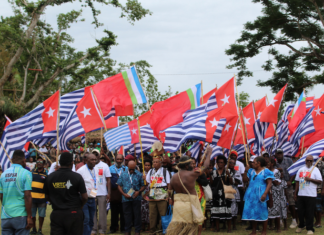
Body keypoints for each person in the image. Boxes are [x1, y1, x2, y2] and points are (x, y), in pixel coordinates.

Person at [166, 146, 212, 235]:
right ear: (186, 165)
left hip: (178, 206)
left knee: (180, 230)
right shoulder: (192, 174)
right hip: (190, 205)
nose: (192, 165)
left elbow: (169, 192)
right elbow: (205, 166)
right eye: (190, 164)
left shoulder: (174, 177)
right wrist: (209, 154)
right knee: (190, 229)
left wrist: (171, 199)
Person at [44, 151, 87, 235]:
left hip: (57, 213)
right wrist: (80, 206)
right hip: (74, 212)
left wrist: (55, 202)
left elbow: (47, 196)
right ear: (72, 162)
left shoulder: (50, 177)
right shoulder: (77, 177)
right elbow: (85, 197)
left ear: (59, 162)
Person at [0, 150, 33, 235]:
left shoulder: (3, 174)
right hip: (20, 215)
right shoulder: (26, 173)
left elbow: (1, 195)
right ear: (24, 160)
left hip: (5, 215)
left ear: (12, 160)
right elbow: (27, 196)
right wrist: (29, 217)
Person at [242, 156, 274, 235]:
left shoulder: (266, 171)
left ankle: (264, 231)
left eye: (254, 162)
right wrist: (245, 172)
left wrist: (265, 194)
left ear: (259, 163)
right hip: (251, 194)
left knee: (263, 212)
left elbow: (269, 183)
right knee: (252, 211)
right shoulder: (251, 171)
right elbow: (245, 180)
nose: (252, 164)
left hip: (261, 194)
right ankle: (254, 231)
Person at [146, 141, 171, 234]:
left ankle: (162, 230)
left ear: (160, 163)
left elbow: (168, 185)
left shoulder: (165, 171)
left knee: (162, 215)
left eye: (157, 162)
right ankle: (152, 230)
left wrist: (169, 196)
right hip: (152, 197)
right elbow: (148, 183)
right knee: (152, 215)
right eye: (154, 162)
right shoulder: (150, 171)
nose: (155, 163)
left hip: (162, 196)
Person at [294, 155, 323, 234]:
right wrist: (295, 193)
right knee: (300, 211)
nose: (309, 162)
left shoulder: (315, 170)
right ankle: (301, 225)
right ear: (305, 161)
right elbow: (297, 181)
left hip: (311, 195)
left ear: (313, 161)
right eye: (308, 160)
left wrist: (310, 179)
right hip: (301, 194)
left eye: (311, 160)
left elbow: (320, 181)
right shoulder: (301, 169)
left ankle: (310, 228)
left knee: (309, 212)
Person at [117, 160, 145, 235]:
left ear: (135, 167)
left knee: (137, 214)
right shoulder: (123, 174)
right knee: (127, 215)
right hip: (126, 198)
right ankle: (127, 230)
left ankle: (137, 230)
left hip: (136, 198)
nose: (132, 170)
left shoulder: (139, 174)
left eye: (133, 169)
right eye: (130, 169)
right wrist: (123, 194)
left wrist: (138, 191)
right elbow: (119, 185)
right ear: (128, 167)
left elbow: (143, 186)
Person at [274, 148, 297, 228]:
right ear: (275, 155)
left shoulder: (289, 160)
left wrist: (290, 181)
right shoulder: (274, 162)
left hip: (288, 184)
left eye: (281, 153)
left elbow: (293, 171)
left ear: (283, 154)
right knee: (278, 203)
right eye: (278, 154)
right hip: (278, 185)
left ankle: (294, 220)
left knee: (291, 202)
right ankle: (280, 220)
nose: (280, 155)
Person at [211, 155, 233, 233]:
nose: (220, 164)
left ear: (224, 163)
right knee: (216, 211)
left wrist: (229, 175)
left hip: (226, 194)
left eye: (222, 162)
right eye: (219, 162)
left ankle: (229, 228)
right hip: (217, 194)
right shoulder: (214, 172)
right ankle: (217, 228)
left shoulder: (228, 171)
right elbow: (212, 183)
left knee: (227, 210)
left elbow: (231, 182)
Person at [91, 149, 111, 235]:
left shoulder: (104, 165)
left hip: (102, 192)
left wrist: (109, 193)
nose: (95, 156)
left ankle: (102, 230)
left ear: (99, 155)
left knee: (102, 212)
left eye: (97, 154)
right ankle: (93, 229)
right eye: (93, 154)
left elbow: (108, 180)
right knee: (92, 211)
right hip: (92, 192)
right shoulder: (89, 166)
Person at [76, 154, 97, 235]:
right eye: (92, 160)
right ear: (86, 160)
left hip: (93, 199)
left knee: (91, 221)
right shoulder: (81, 171)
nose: (94, 161)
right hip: (84, 200)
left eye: (95, 159)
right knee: (86, 220)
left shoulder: (95, 170)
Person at [109, 154, 127, 234]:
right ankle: (113, 228)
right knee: (114, 212)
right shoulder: (110, 168)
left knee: (123, 212)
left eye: (120, 159)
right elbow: (108, 181)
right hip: (114, 193)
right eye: (118, 159)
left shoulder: (126, 168)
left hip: (123, 194)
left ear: (123, 160)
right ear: (115, 159)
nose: (119, 161)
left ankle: (123, 228)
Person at [190, 157, 209, 235]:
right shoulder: (185, 172)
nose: (193, 165)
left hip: (200, 197)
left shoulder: (199, 171)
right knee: (190, 216)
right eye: (191, 163)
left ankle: (199, 233)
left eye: (194, 163)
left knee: (200, 215)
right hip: (189, 197)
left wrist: (197, 179)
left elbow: (205, 183)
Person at [30, 157, 48, 235]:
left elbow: (47, 186)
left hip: (42, 198)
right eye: (38, 161)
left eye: (41, 162)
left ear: (44, 164)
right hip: (32, 198)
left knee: (41, 215)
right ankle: (34, 229)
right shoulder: (32, 172)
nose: (39, 163)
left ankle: (40, 230)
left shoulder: (46, 173)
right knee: (32, 215)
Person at [267, 158, 281, 233]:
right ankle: (270, 225)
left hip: (275, 193)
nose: (268, 165)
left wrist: (270, 177)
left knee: (276, 210)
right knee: (269, 209)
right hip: (267, 192)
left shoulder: (276, 171)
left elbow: (276, 183)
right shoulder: (265, 171)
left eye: (269, 163)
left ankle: (278, 228)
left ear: (272, 163)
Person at [228, 158, 242, 230]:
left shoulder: (236, 171)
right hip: (226, 191)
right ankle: (226, 225)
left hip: (234, 192)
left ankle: (234, 225)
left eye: (233, 163)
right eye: (230, 162)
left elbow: (237, 182)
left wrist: (230, 178)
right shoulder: (225, 171)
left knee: (234, 209)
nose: (231, 164)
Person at [141, 159, 152, 232]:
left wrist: (147, 180)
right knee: (142, 210)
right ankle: (142, 226)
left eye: (148, 165)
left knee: (149, 210)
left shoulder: (153, 174)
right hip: (142, 195)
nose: (147, 167)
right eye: (146, 165)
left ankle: (149, 226)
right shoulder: (141, 174)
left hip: (150, 194)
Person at [315, 157, 324, 228]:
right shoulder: (308, 164)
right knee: (312, 206)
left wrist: (323, 189)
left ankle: (319, 222)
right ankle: (316, 220)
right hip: (310, 188)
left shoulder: (321, 163)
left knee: (318, 205)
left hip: (319, 188)